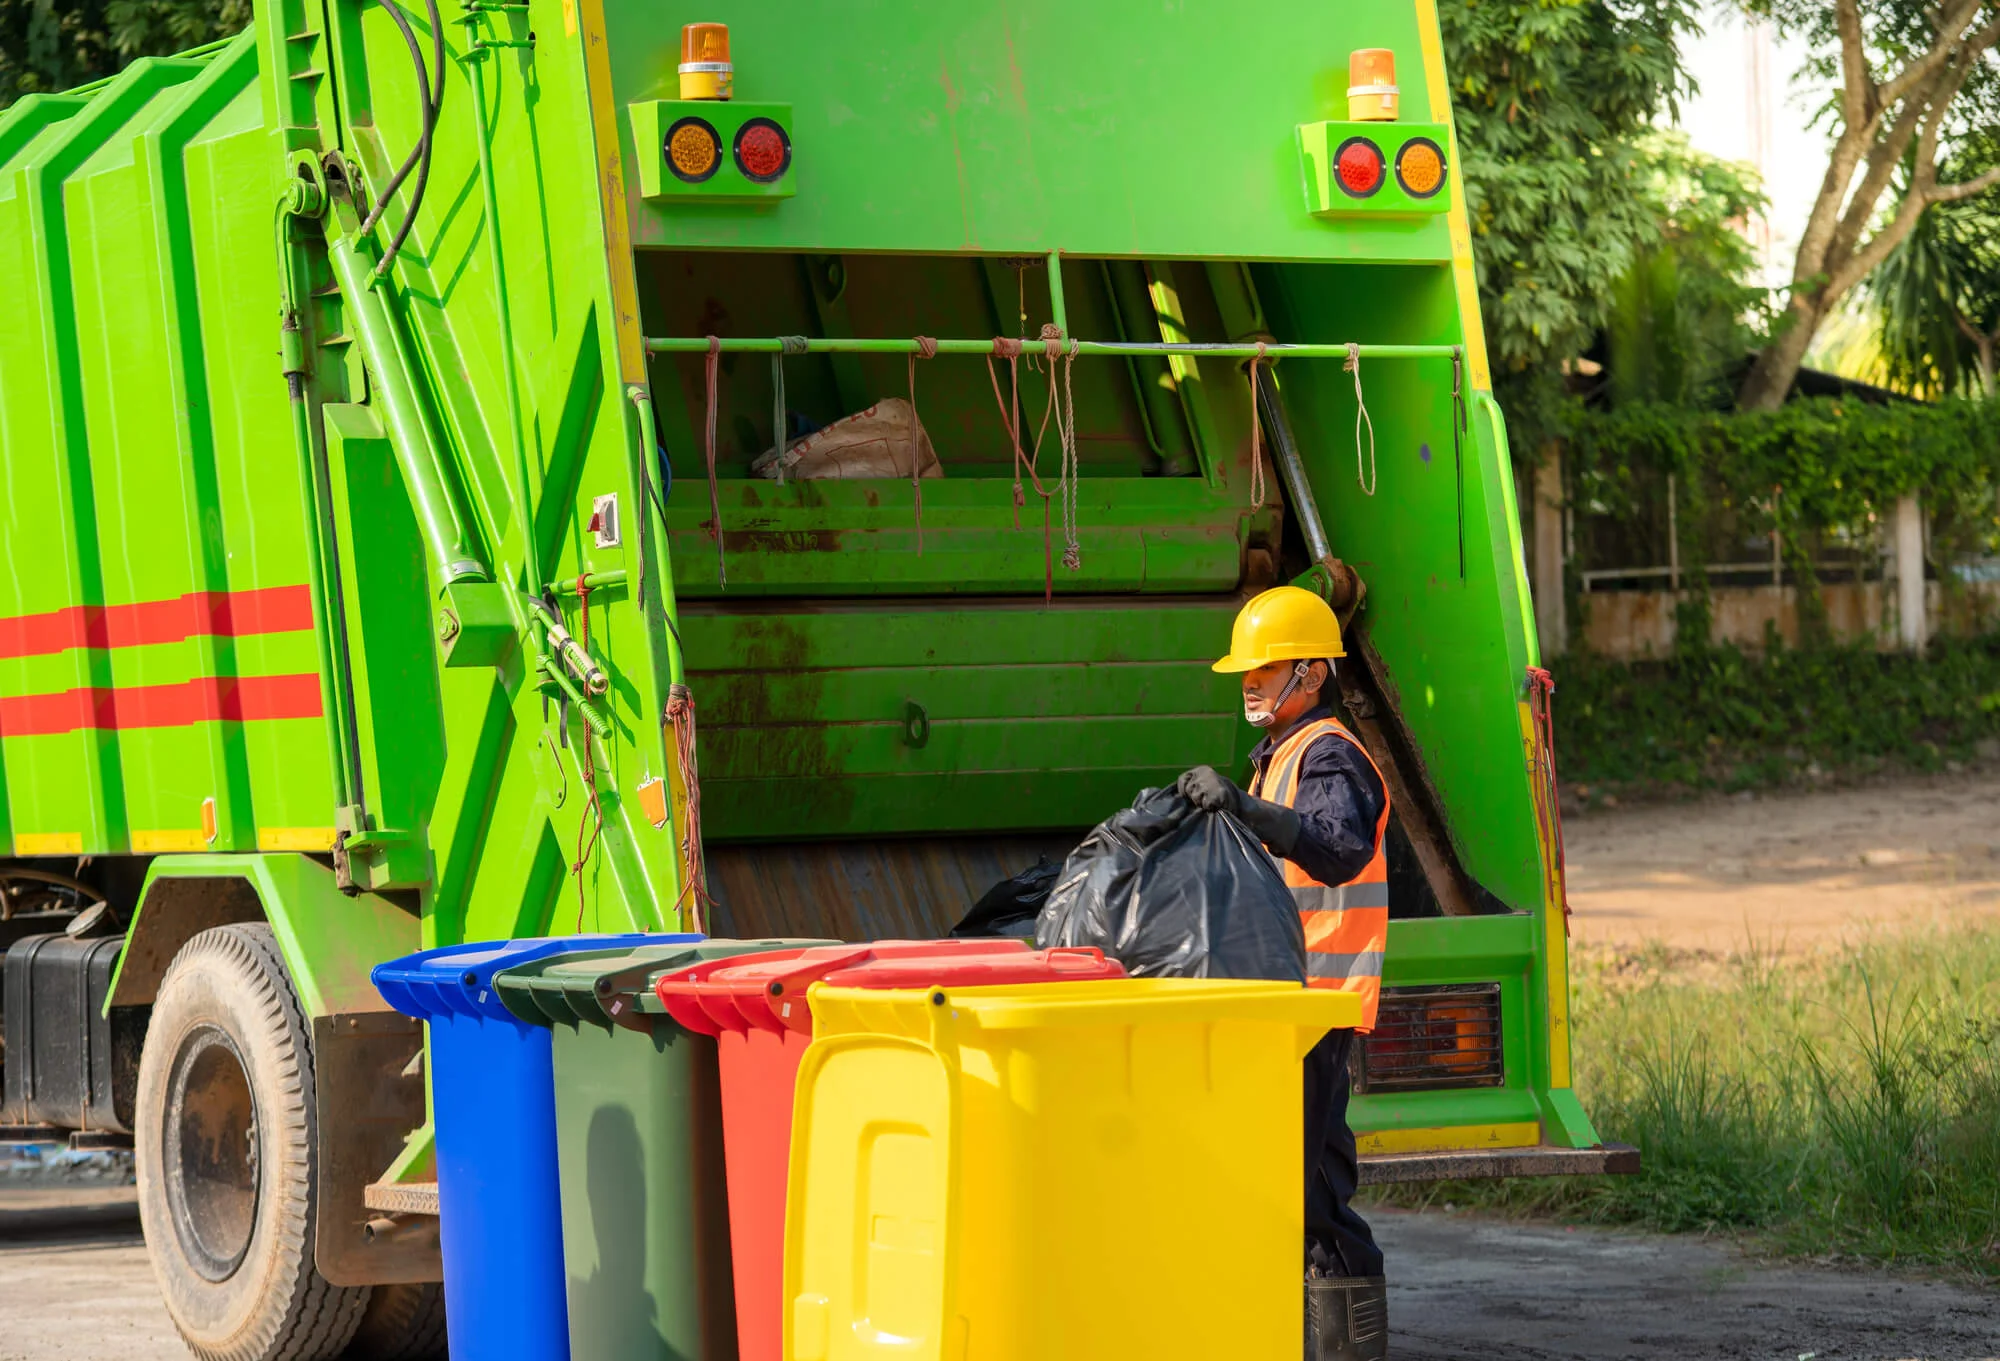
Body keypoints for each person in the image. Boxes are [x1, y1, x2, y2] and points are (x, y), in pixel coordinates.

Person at [1177, 585, 1390, 1361]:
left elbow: (1336, 847)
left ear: (1310, 672)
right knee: (1284, 1185)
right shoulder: (1283, 754)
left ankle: (1348, 1346)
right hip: (1286, 1006)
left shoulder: (1329, 752)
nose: (1250, 682)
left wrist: (1245, 807)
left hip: (1320, 1005)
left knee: (1314, 1193)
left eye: (1265, 667)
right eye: (1246, 669)